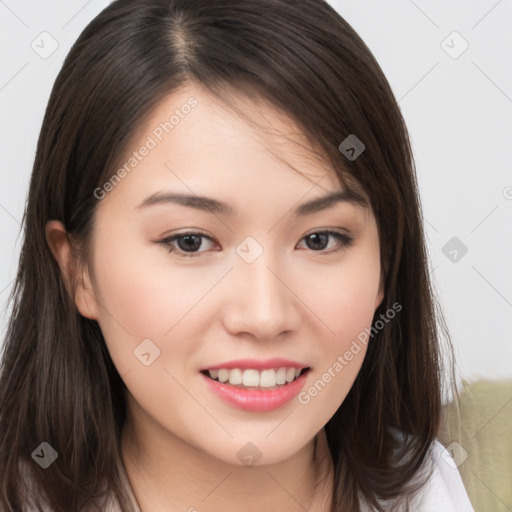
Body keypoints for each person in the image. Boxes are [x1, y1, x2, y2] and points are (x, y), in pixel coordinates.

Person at [0, 1, 475, 511]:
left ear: (385, 263)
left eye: (320, 239)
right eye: (190, 241)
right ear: (78, 270)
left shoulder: (438, 488)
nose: (265, 315)